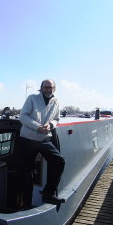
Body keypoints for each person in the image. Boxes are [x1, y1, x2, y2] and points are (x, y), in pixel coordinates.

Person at [18, 79, 65, 208]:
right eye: (46, 87)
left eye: (51, 87)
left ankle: (48, 193)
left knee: (59, 161)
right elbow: (23, 116)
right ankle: (26, 203)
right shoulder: (32, 98)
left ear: (54, 89)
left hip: (44, 139)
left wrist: (51, 125)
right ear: (41, 88)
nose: (48, 90)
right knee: (27, 173)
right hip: (27, 139)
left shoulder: (56, 101)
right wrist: (37, 127)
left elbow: (57, 119)